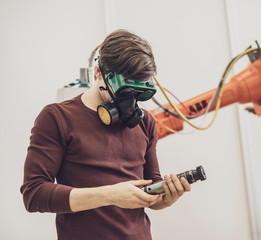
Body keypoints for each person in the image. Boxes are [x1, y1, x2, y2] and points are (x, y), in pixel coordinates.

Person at [20, 29, 191, 240]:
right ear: (99, 72)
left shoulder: (146, 122)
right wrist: (110, 195)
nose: (133, 103)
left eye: (140, 94)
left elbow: (150, 192)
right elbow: (34, 194)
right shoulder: (56, 118)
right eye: (127, 92)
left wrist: (167, 198)